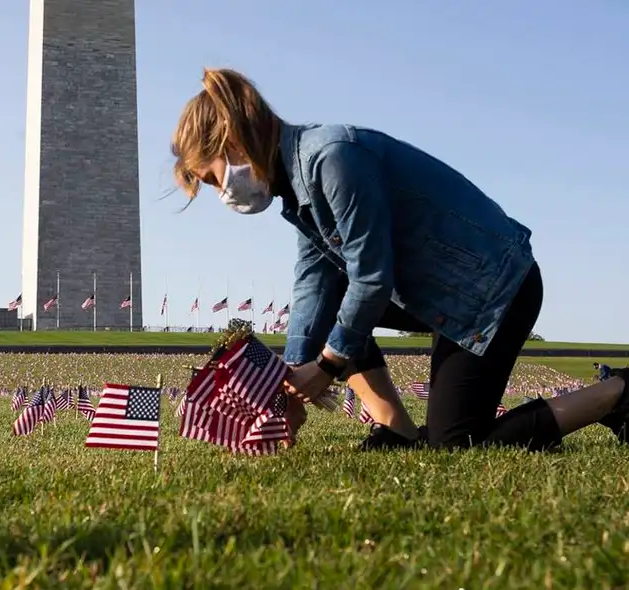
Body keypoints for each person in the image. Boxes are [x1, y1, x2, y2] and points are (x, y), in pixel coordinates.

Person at [170, 67, 628, 451]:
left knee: (456, 444)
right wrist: (289, 385)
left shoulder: (332, 157)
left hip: (493, 292)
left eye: (211, 179)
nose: (220, 193)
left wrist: (326, 367)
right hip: (440, 297)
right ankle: (398, 429)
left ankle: (619, 393)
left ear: (232, 141)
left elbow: (370, 277)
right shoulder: (297, 186)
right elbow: (315, 285)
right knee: (333, 299)